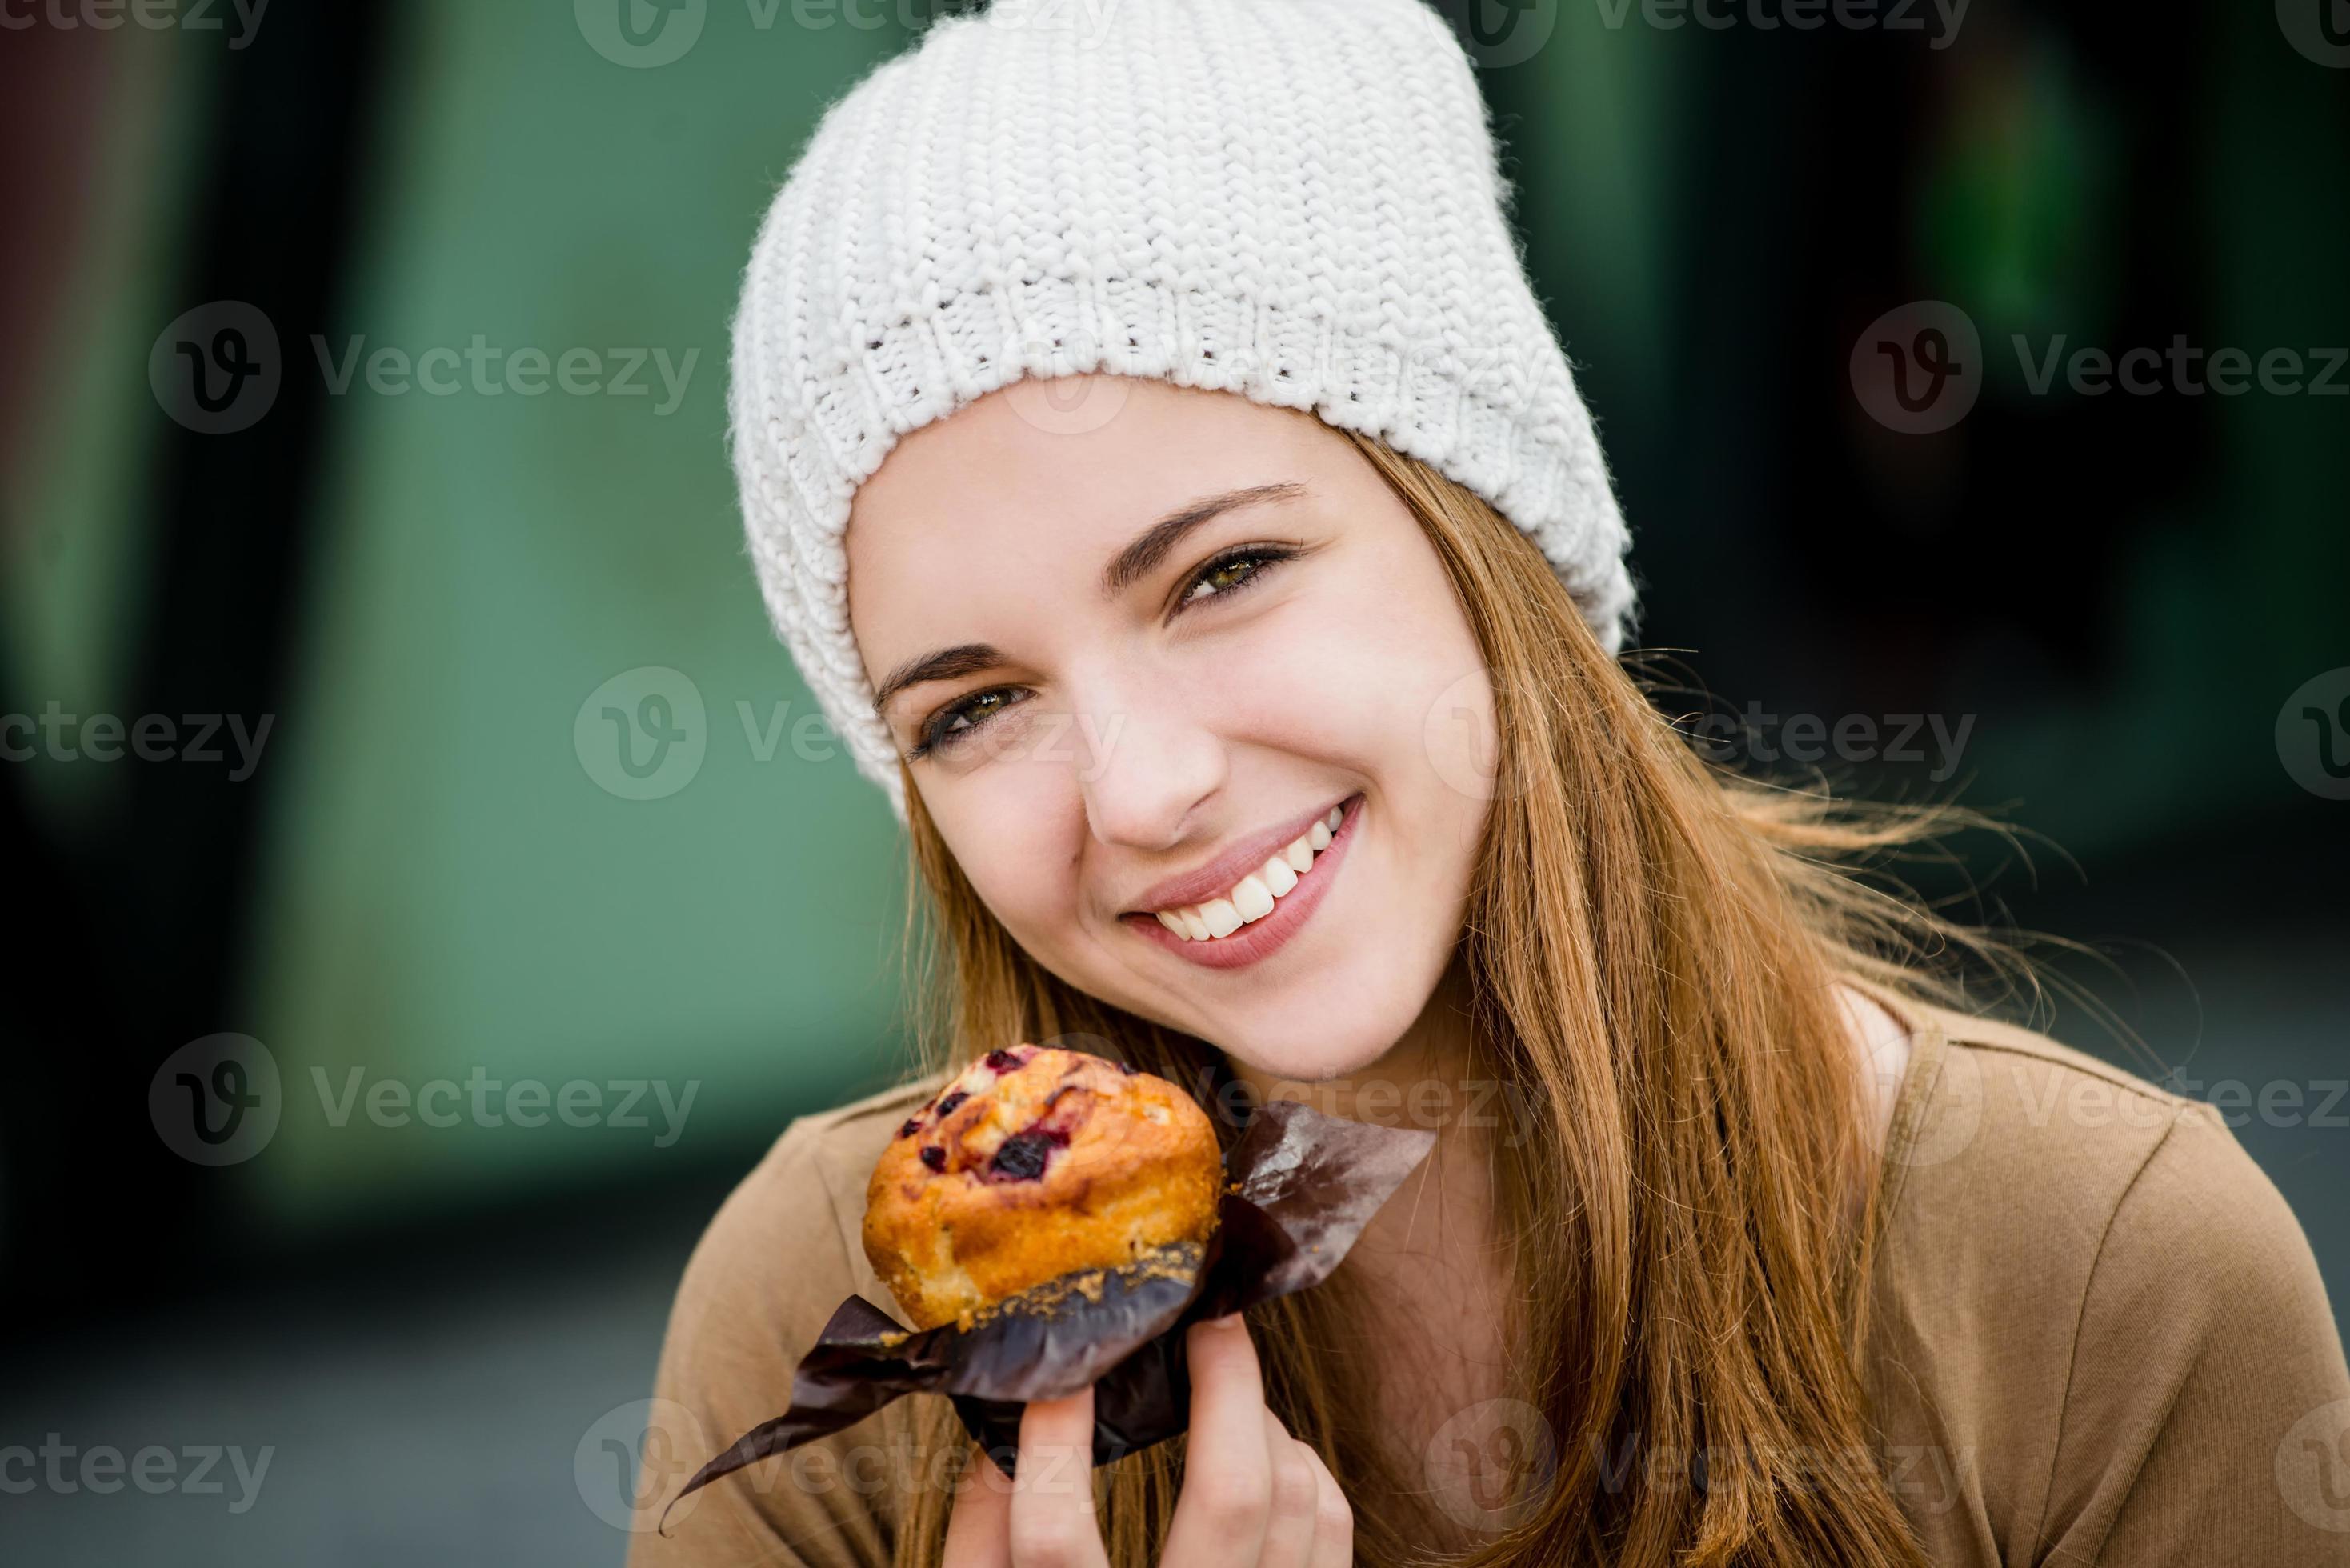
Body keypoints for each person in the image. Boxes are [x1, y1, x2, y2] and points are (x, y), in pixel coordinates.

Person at [628, 2, 2350, 1563]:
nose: (1142, 789)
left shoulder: (2107, 1286)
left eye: (1219, 573)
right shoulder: (830, 1309)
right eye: (974, 706)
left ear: (1486, 530)